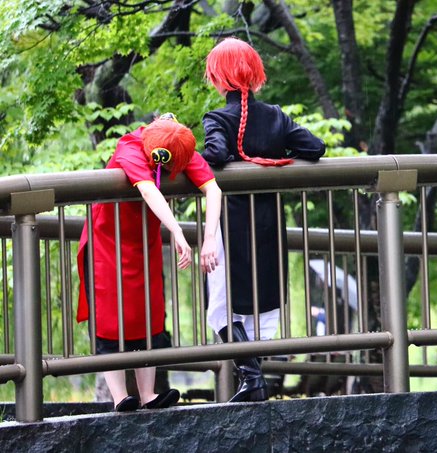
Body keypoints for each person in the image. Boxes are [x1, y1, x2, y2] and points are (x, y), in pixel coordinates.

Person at [202, 37, 326, 402]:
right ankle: (254, 381)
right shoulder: (275, 116)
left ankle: (252, 378)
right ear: (254, 74)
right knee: (261, 305)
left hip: (230, 226)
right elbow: (315, 147)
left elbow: (216, 153)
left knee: (221, 307)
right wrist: (274, 153)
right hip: (270, 224)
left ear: (218, 78)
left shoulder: (217, 118)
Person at [76, 113, 222, 412]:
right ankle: (119, 397)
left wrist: (209, 238)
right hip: (108, 240)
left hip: (144, 240)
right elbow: (147, 188)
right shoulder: (130, 147)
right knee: (109, 317)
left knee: (149, 313)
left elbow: (213, 188)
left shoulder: (177, 145)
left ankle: (148, 394)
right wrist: (177, 230)